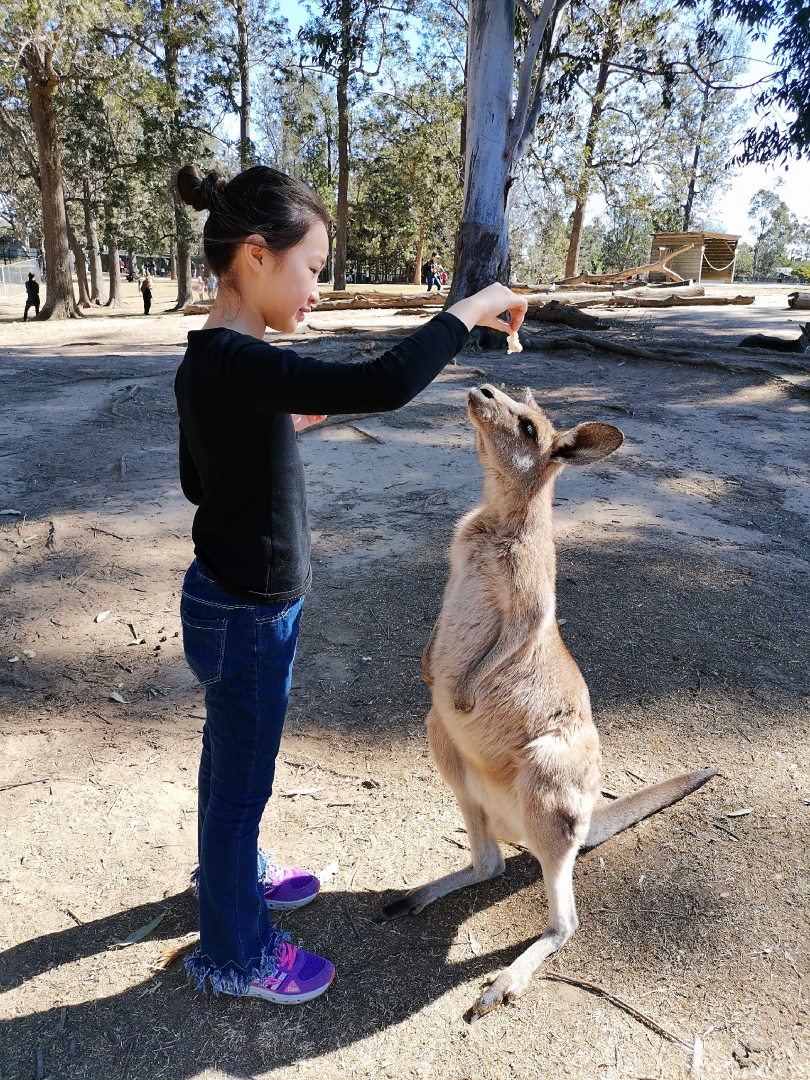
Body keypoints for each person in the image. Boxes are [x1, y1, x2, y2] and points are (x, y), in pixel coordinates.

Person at [173, 162, 526, 1006]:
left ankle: (231, 875)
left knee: (228, 769)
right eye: (314, 268)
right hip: (248, 614)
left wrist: (276, 428)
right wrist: (468, 309)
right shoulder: (238, 361)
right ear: (256, 255)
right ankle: (234, 955)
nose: (318, 290)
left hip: (229, 602)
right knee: (240, 784)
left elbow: (198, 479)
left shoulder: (215, 363)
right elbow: (382, 383)